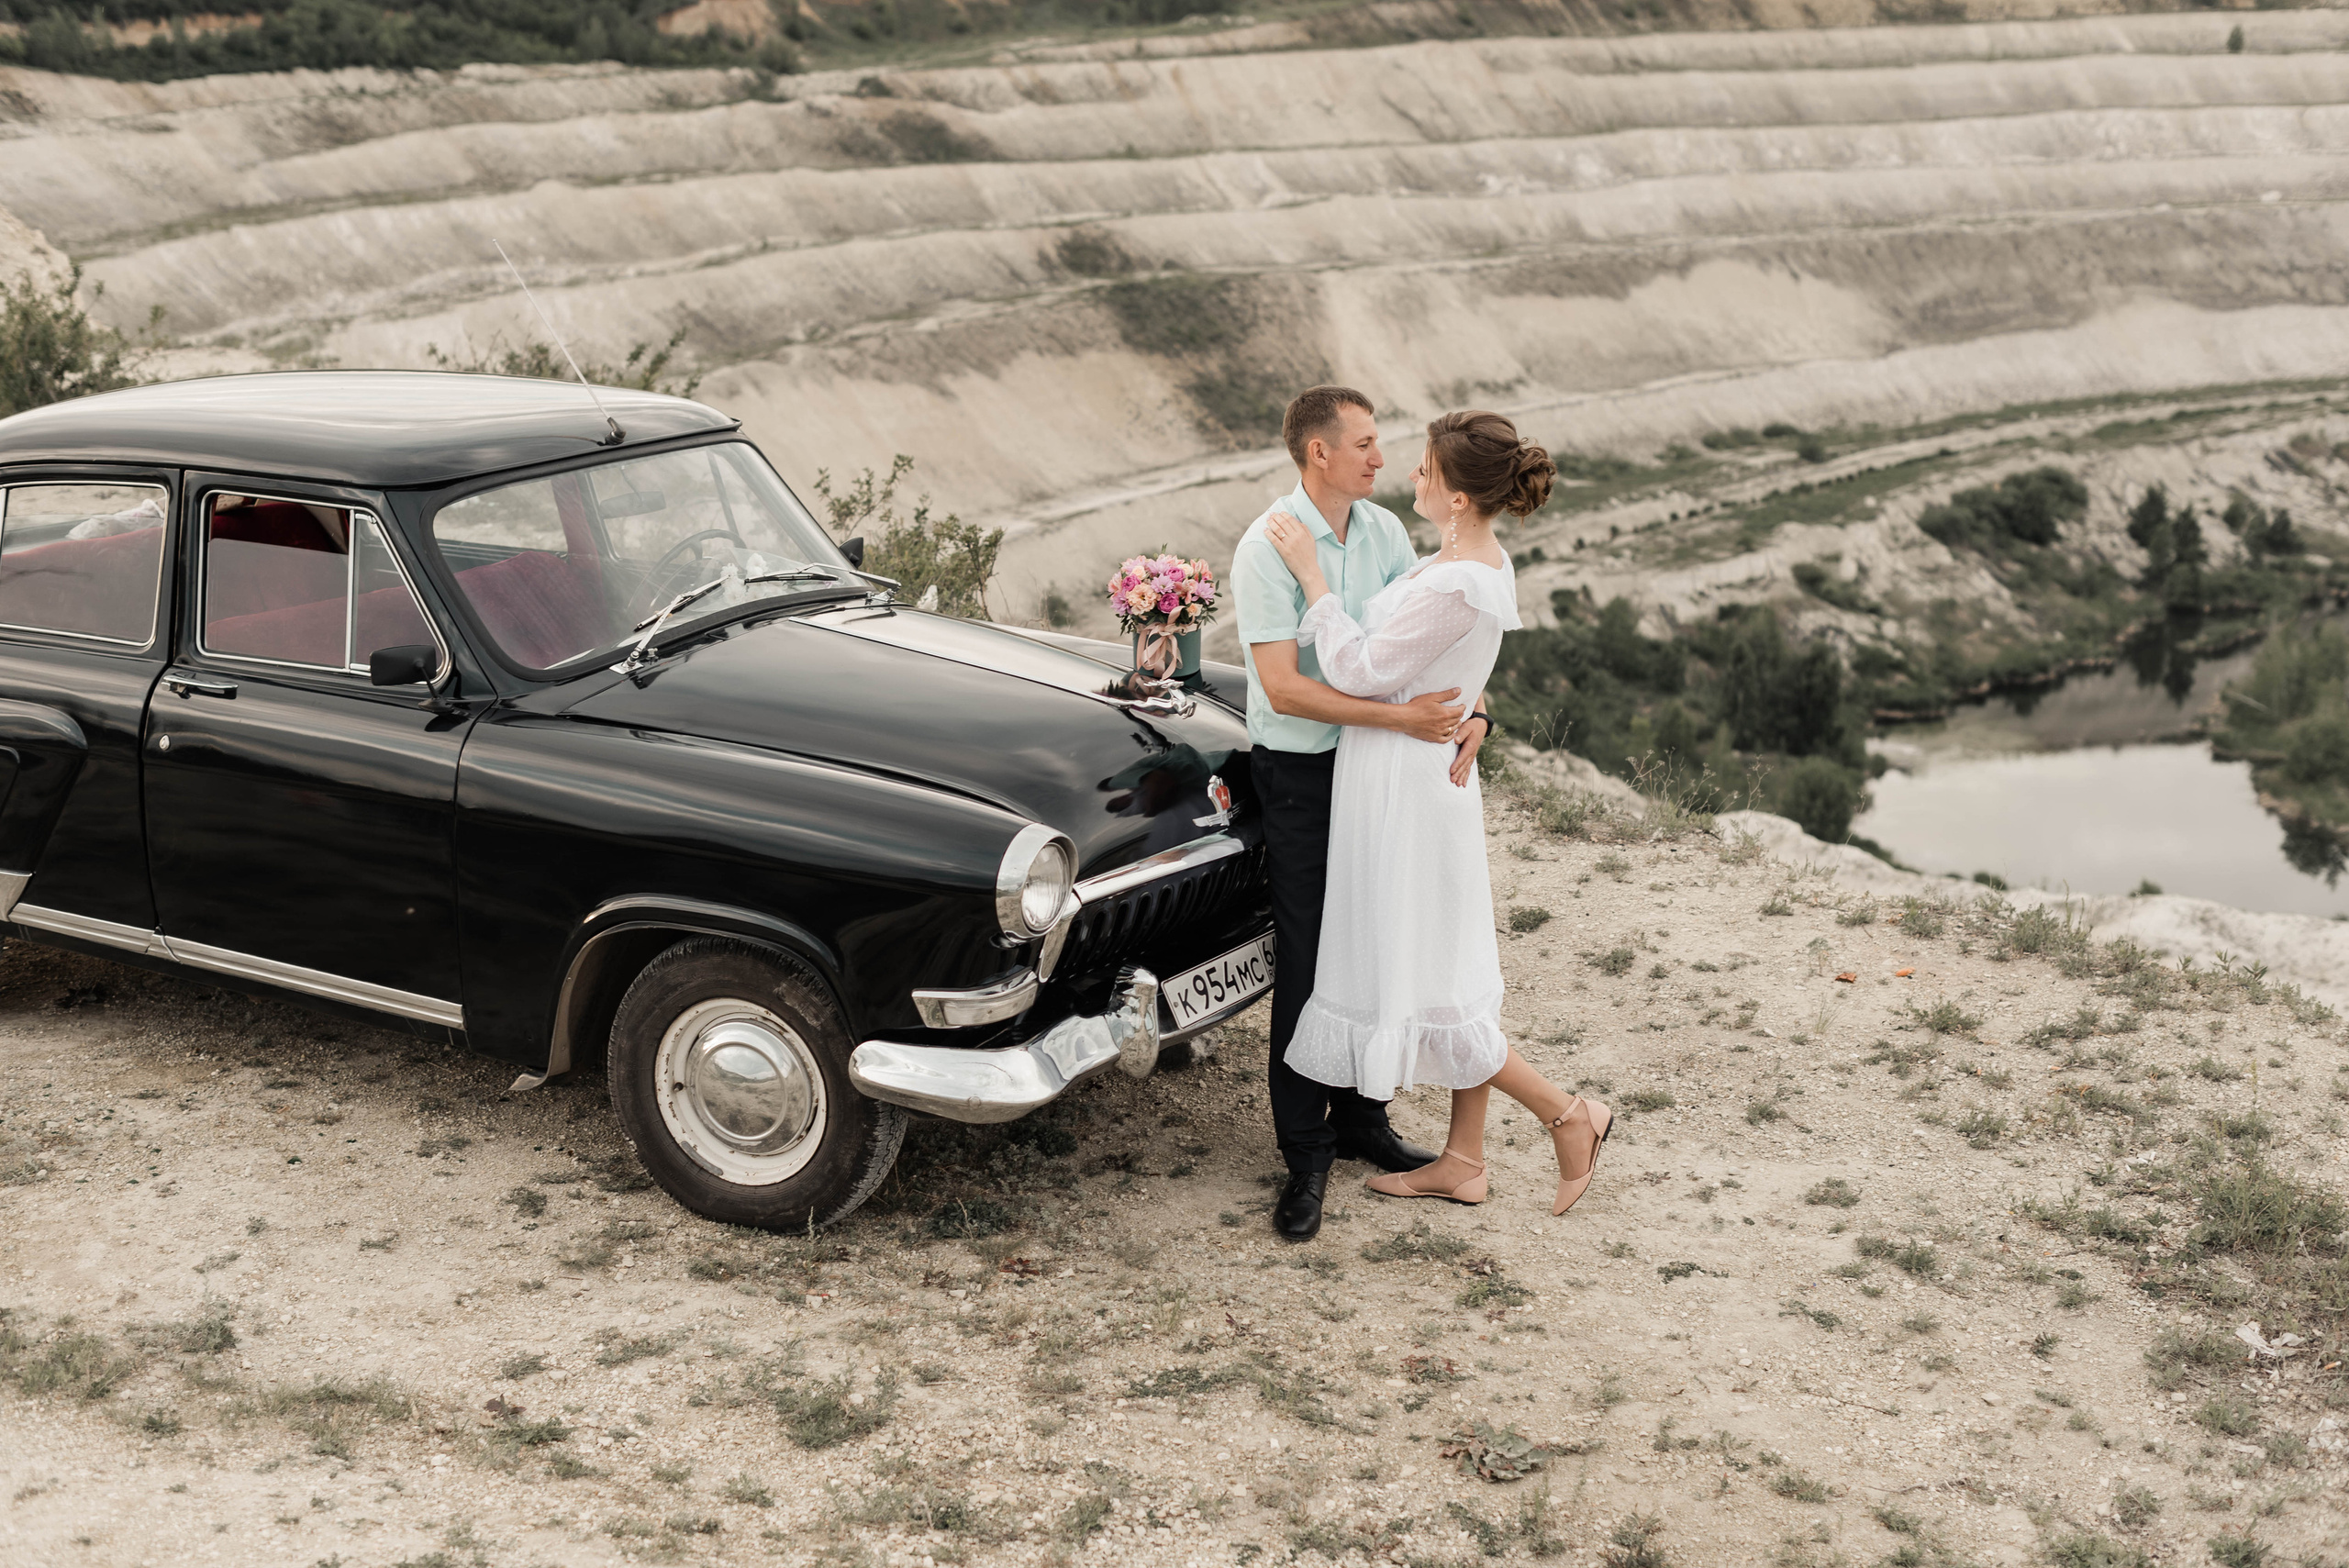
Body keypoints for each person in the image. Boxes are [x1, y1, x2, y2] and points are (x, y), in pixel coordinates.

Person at [1261, 409, 1613, 1217]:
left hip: (1406, 790)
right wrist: (1478, 709)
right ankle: (1463, 1159)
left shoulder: (1460, 578)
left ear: (1457, 497)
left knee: (1427, 975)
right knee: (1449, 968)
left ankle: (1568, 1113)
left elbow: (1358, 669)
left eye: (1424, 467)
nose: (1409, 474)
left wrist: (1313, 578)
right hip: (1416, 774)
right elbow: (1449, 667)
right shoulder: (1467, 561)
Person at [1230, 385, 1490, 1244]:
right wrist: (1400, 720)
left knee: (1379, 939)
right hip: (1303, 776)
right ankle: (1303, 1152)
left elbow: (1420, 646)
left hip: (1376, 775)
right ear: (1319, 453)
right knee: (1309, 959)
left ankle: (1361, 1117)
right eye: (1368, 444)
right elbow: (1285, 687)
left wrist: (1478, 713)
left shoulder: (1381, 533)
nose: (1383, 459)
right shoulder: (1268, 545)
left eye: (1383, 445)